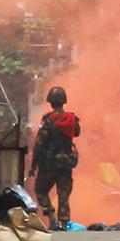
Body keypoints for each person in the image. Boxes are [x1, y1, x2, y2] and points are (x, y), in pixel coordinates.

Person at [28, 86, 80, 231]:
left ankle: (52, 219)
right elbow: (77, 133)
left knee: (40, 190)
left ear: (51, 102)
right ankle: (64, 223)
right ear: (64, 101)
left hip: (49, 163)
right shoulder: (72, 119)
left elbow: (39, 144)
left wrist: (33, 165)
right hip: (66, 163)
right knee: (63, 193)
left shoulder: (48, 119)